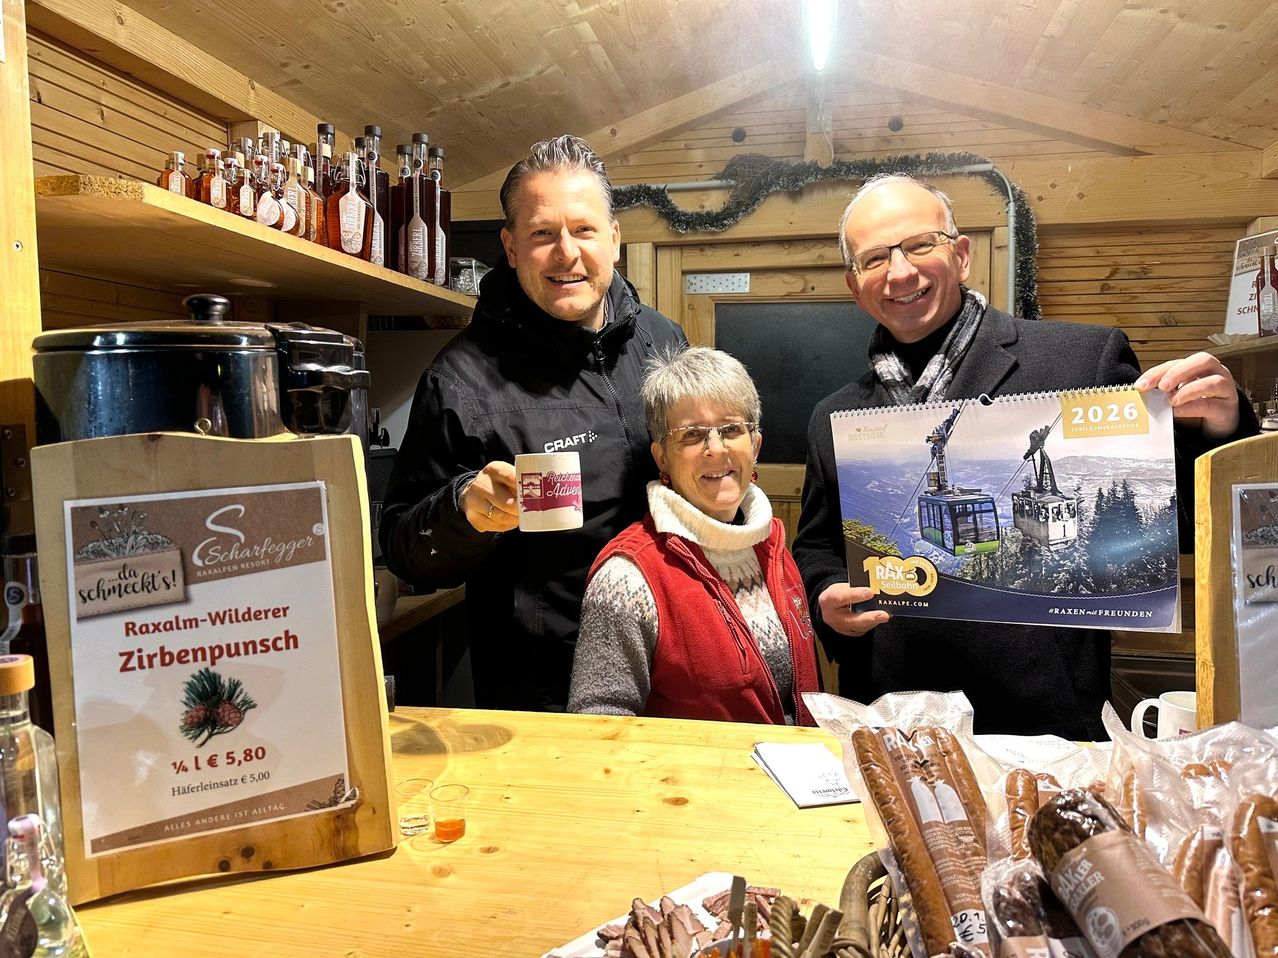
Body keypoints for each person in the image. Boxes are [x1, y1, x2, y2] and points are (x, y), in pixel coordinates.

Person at [794, 173, 1258, 739]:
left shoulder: (1079, 363)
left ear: (961, 255)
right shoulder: (836, 416)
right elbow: (817, 543)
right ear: (854, 283)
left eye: (920, 245)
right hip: (894, 714)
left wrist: (1221, 431)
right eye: (874, 259)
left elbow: (1182, 518)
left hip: (1041, 721)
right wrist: (824, 596)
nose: (900, 272)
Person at [379, 135, 686, 711]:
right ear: (511, 246)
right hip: (546, 692)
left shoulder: (664, 342)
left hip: (674, 663)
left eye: (585, 230)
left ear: (614, 240)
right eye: (543, 233)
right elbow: (402, 546)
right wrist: (464, 513)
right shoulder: (460, 379)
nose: (566, 252)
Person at [568, 347, 822, 724]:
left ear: (755, 446)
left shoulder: (771, 542)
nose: (715, 448)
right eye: (692, 435)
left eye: (732, 429)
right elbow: (598, 726)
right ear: (662, 457)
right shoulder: (627, 578)